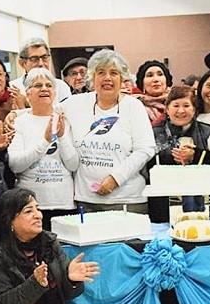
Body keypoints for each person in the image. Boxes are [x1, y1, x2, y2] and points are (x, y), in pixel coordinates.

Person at [63, 49, 156, 214]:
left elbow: (146, 149)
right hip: (86, 201)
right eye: (101, 72)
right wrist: (15, 115)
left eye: (114, 73)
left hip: (128, 201)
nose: (107, 78)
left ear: (122, 79)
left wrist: (115, 178)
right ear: (92, 78)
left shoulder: (133, 107)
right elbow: (45, 112)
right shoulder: (74, 104)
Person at [8, 68, 78, 228]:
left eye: (49, 85)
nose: (44, 89)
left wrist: (61, 136)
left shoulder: (65, 121)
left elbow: (73, 165)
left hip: (64, 204)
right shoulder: (20, 122)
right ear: (28, 93)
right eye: (38, 85)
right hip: (32, 206)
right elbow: (15, 165)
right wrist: (45, 141)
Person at [150, 85, 210, 215]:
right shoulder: (153, 134)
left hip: (206, 207)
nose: (181, 111)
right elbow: (144, 168)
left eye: (186, 106)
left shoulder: (208, 132)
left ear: (194, 110)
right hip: (163, 207)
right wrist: (171, 158)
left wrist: (197, 156)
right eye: (176, 105)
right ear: (167, 109)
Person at [135, 60, 173, 127]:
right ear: (142, 84)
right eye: (150, 75)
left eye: (160, 74)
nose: (156, 79)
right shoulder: (134, 106)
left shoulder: (178, 102)